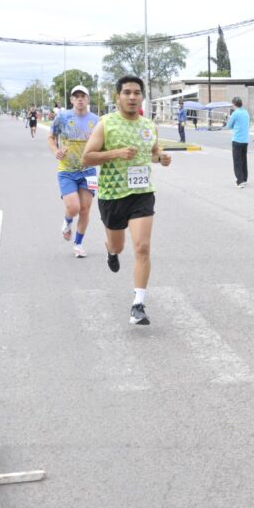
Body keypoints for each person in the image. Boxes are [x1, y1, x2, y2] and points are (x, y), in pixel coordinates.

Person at [82, 76, 171, 326]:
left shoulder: (148, 126)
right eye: (127, 93)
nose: (132, 97)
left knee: (142, 247)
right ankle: (111, 251)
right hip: (112, 195)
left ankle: (138, 304)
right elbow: (87, 158)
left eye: (137, 93)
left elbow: (152, 153)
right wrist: (115, 154)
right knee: (118, 246)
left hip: (142, 193)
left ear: (142, 97)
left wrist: (161, 158)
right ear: (118, 96)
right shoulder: (106, 124)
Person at [48, 85, 101, 258]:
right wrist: (56, 151)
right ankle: (68, 220)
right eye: (76, 96)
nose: (79, 99)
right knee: (73, 207)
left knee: (85, 209)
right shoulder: (62, 117)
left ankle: (78, 244)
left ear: (88, 99)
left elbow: (102, 143)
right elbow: (51, 137)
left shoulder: (96, 120)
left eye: (83, 96)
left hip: (88, 171)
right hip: (67, 170)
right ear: (71, 100)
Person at [226, 97, 250, 187]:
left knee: (237, 161)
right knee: (244, 160)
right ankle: (244, 178)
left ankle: (239, 181)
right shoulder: (246, 112)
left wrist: (229, 118)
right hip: (245, 140)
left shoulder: (235, 113)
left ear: (234, 104)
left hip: (237, 140)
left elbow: (228, 126)